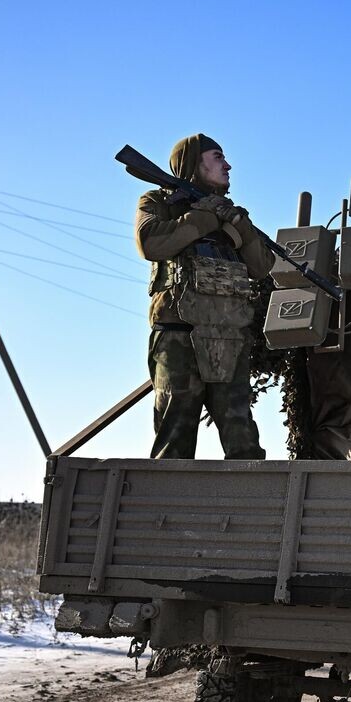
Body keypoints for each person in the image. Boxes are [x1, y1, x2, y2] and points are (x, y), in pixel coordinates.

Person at [135, 134, 273, 459]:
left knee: (244, 444)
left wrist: (239, 226)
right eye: (217, 157)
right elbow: (150, 243)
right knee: (175, 441)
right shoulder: (158, 202)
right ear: (192, 162)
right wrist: (205, 217)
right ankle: (166, 508)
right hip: (179, 337)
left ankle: (251, 507)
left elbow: (261, 266)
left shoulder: (230, 213)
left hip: (228, 340)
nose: (227, 165)